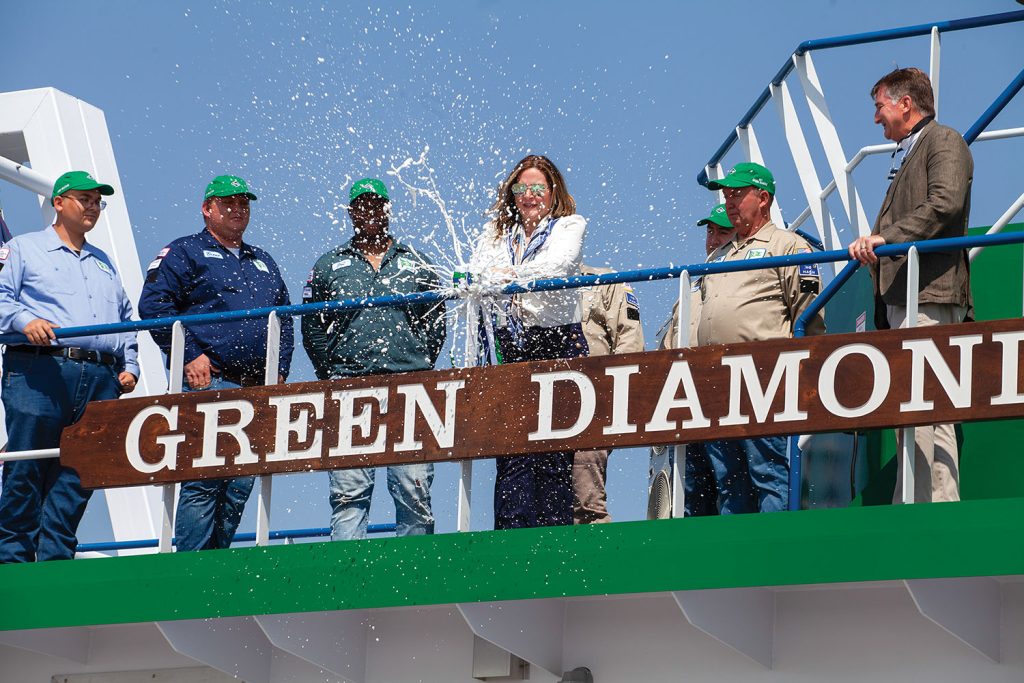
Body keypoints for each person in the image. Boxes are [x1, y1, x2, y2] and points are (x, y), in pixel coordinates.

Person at [138, 174, 293, 551]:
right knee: (204, 477)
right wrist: (189, 354)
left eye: (244, 204)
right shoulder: (185, 251)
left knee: (240, 482)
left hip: (257, 388)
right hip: (211, 383)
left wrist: (280, 369)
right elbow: (153, 306)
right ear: (208, 209)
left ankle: (216, 564)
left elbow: (285, 318)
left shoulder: (263, 260)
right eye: (229, 203)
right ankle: (192, 567)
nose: (238, 210)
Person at [848, 67, 973, 504]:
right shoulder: (908, 150)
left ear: (905, 103)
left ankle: (935, 507)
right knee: (914, 406)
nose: (876, 119)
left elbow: (946, 203)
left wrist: (887, 237)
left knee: (930, 405)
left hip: (930, 293)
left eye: (879, 107)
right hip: (905, 299)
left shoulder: (944, 140)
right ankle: (915, 502)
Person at [0, 171, 139, 562]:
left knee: (81, 473)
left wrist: (130, 364)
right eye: (85, 199)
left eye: (98, 201)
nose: (93, 207)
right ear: (59, 203)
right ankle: (11, 559)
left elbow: (126, 319)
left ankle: (56, 558)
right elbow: (0, 298)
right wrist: (24, 321)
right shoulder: (24, 249)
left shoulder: (103, 262)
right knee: (28, 466)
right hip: (40, 371)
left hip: (101, 378)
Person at [302, 178, 445, 541]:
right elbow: (310, 324)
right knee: (349, 494)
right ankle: (345, 585)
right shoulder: (329, 264)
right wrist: (331, 371)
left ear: (387, 209)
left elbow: (437, 316)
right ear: (351, 212)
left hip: (410, 388)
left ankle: (417, 581)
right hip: (350, 388)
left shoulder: (415, 261)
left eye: (376, 204)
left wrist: (419, 359)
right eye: (361, 205)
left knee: (414, 490)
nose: (369, 211)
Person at [698, 163, 824, 514]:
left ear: (763, 198)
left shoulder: (789, 246)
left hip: (763, 376)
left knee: (767, 470)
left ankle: (775, 555)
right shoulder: (719, 255)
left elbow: (810, 316)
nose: (730, 200)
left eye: (737, 194)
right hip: (715, 377)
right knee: (727, 478)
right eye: (727, 194)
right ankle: (734, 559)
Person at [470, 154, 588, 529]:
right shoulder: (495, 235)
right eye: (522, 188)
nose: (530, 195)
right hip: (510, 343)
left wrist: (509, 274)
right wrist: (493, 275)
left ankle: (551, 540)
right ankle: (509, 540)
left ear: (553, 193)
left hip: (557, 342)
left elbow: (559, 265)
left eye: (538, 188)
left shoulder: (569, 225)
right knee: (510, 450)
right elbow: (474, 274)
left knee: (554, 450)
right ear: (512, 194)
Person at [655, 204, 736, 516]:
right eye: (710, 231)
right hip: (686, 405)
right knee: (690, 493)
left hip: (727, 398)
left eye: (723, 232)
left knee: (731, 484)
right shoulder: (691, 286)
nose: (713, 240)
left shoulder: (741, 282)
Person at [573, 264, 644, 524]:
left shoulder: (603, 280)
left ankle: (595, 555)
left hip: (592, 397)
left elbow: (629, 337)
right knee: (543, 498)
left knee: (586, 498)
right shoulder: (532, 279)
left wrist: (615, 394)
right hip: (541, 398)